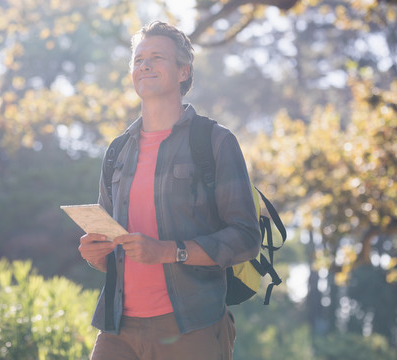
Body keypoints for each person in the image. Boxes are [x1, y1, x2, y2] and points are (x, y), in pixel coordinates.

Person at [78, 20, 261, 360]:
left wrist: (169, 251)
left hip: (193, 328)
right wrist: (96, 254)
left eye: (156, 57)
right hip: (118, 330)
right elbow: (113, 254)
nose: (144, 65)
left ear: (183, 71)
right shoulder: (117, 152)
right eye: (138, 59)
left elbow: (246, 238)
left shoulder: (215, 142)